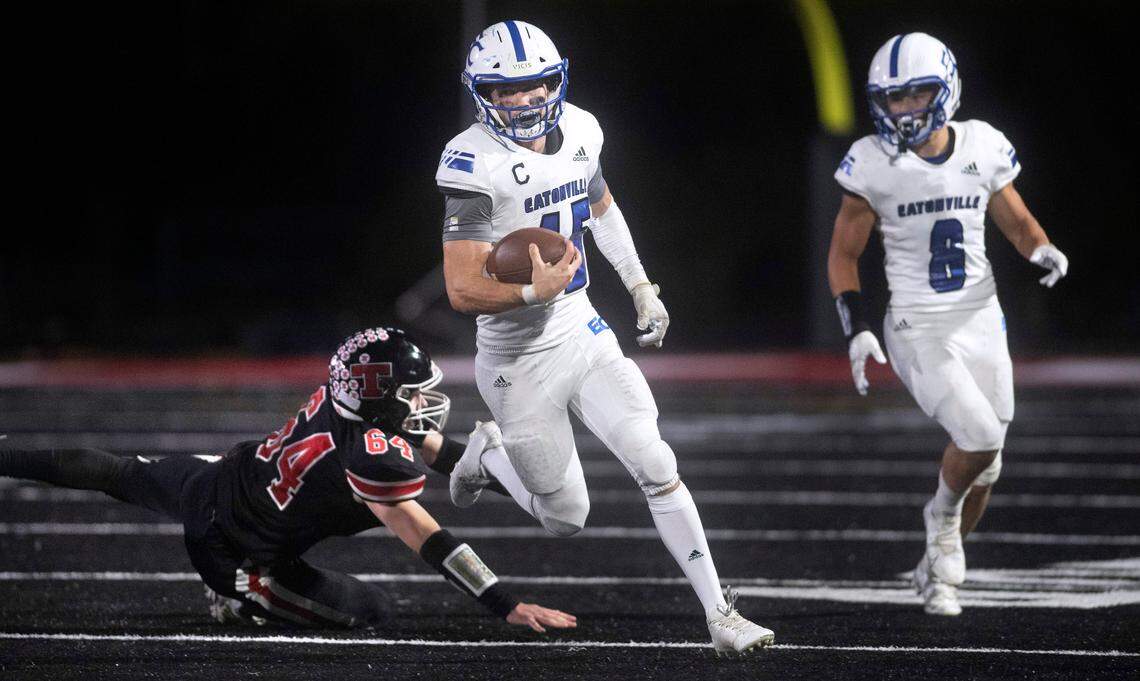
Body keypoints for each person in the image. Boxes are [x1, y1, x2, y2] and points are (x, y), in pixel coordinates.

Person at [434, 20, 773, 654]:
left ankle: (721, 615)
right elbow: (460, 288)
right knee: (565, 518)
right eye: (505, 91)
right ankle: (487, 455)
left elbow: (600, 207)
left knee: (655, 458)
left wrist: (642, 285)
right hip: (515, 356)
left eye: (534, 86)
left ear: (555, 81)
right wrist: (531, 292)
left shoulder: (584, 129)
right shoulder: (471, 160)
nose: (524, 101)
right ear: (483, 94)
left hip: (580, 328)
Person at [0, 326, 576, 633]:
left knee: (116, 473)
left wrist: (525, 485)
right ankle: (238, 599)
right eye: (410, 392)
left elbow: (438, 450)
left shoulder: (346, 400)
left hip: (222, 480)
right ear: (377, 398)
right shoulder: (370, 455)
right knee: (371, 611)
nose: (424, 401)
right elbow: (431, 539)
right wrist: (505, 604)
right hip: (239, 552)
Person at [826, 33, 1069, 616]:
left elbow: (1017, 223)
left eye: (918, 94)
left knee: (991, 459)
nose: (906, 109)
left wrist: (1041, 249)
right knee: (979, 436)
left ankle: (934, 570)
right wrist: (857, 326)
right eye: (894, 98)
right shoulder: (871, 160)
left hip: (980, 317)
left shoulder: (981, 144)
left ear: (947, 87)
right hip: (916, 323)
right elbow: (842, 254)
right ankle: (940, 521)